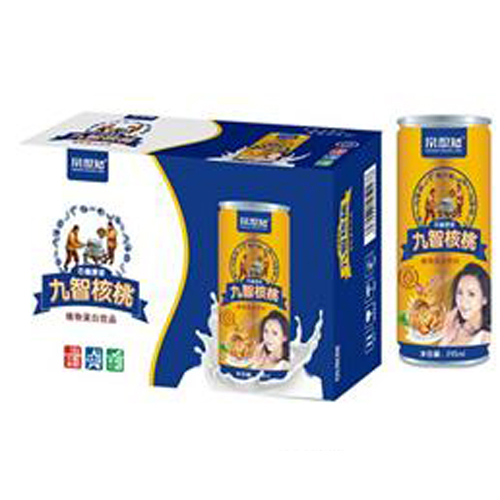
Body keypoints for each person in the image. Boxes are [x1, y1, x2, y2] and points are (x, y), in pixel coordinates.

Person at [439, 263, 491, 346]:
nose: (463, 301)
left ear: (484, 299)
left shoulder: (487, 338)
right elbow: (439, 353)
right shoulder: (453, 329)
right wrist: (446, 338)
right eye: (460, 293)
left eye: (471, 294)